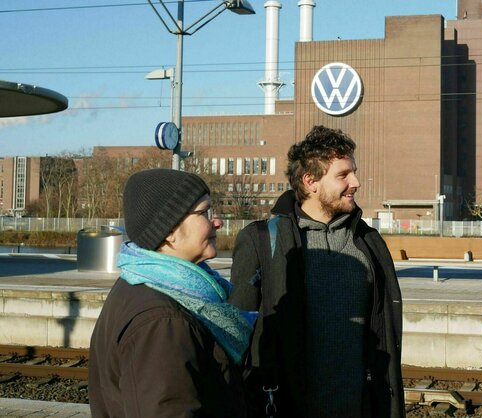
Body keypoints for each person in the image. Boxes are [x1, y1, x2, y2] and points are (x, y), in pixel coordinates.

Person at [230, 125, 405, 418]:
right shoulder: (261, 241)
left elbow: (383, 333)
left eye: (354, 172)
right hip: (285, 408)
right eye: (343, 175)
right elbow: (236, 337)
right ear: (310, 181)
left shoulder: (368, 242)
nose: (356, 182)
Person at [89, 168, 256, 417]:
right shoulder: (161, 319)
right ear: (168, 231)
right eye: (204, 212)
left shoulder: (143, 286)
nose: (218, 221)